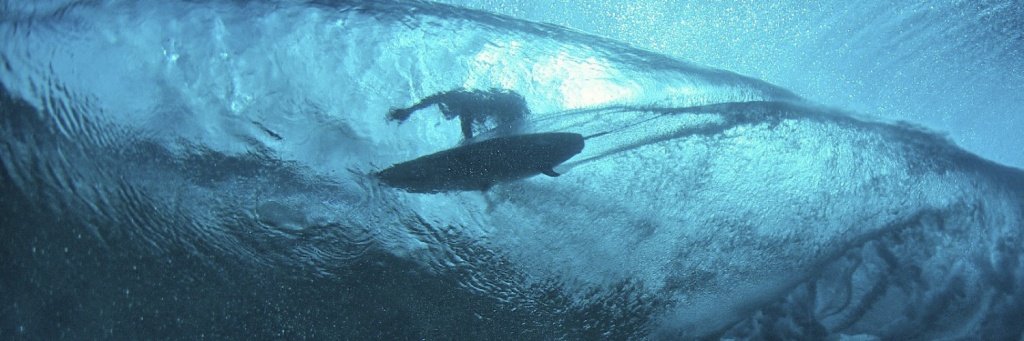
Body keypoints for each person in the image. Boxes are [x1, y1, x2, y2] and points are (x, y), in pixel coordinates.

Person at [387, 88, 529, 141]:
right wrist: (409, 110)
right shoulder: (453, 98)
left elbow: (466, 119)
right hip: (507, 103)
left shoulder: (465, 103)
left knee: (508, 132)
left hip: (509, 104)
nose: (447, 115)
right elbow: (433, 99)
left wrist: (468, 144)